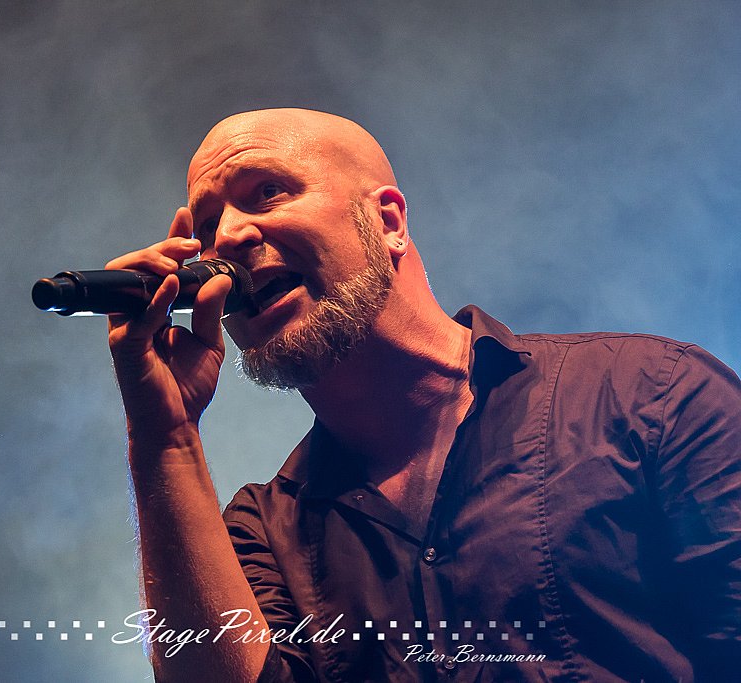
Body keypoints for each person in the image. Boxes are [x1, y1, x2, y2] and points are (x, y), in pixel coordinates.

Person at [104, 108, 741, 682]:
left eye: (267, 193)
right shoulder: (263, 535)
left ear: (388, 222)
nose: (226, 240)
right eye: (207, 225)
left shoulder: (650, 396)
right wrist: (166, 438)